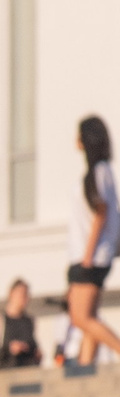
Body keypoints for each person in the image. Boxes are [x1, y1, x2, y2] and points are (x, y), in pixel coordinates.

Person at [62, 117, 120, 367]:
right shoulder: (100, 171)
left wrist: (87, 256)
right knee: (89, 318)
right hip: (93, 254)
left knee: (80, 317)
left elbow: (101, 213)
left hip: (91, 256)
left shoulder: (100, 171)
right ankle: (85, 368)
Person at [0, 279, 42, 368]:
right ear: (11, 293)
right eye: (22, 294)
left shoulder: (30, 320)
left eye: (26, 294)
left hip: (27, 371)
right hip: (7, 372)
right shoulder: (0, 319)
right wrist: (10, 349)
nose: (25, 298)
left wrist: (37, 354)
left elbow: (33, 346)